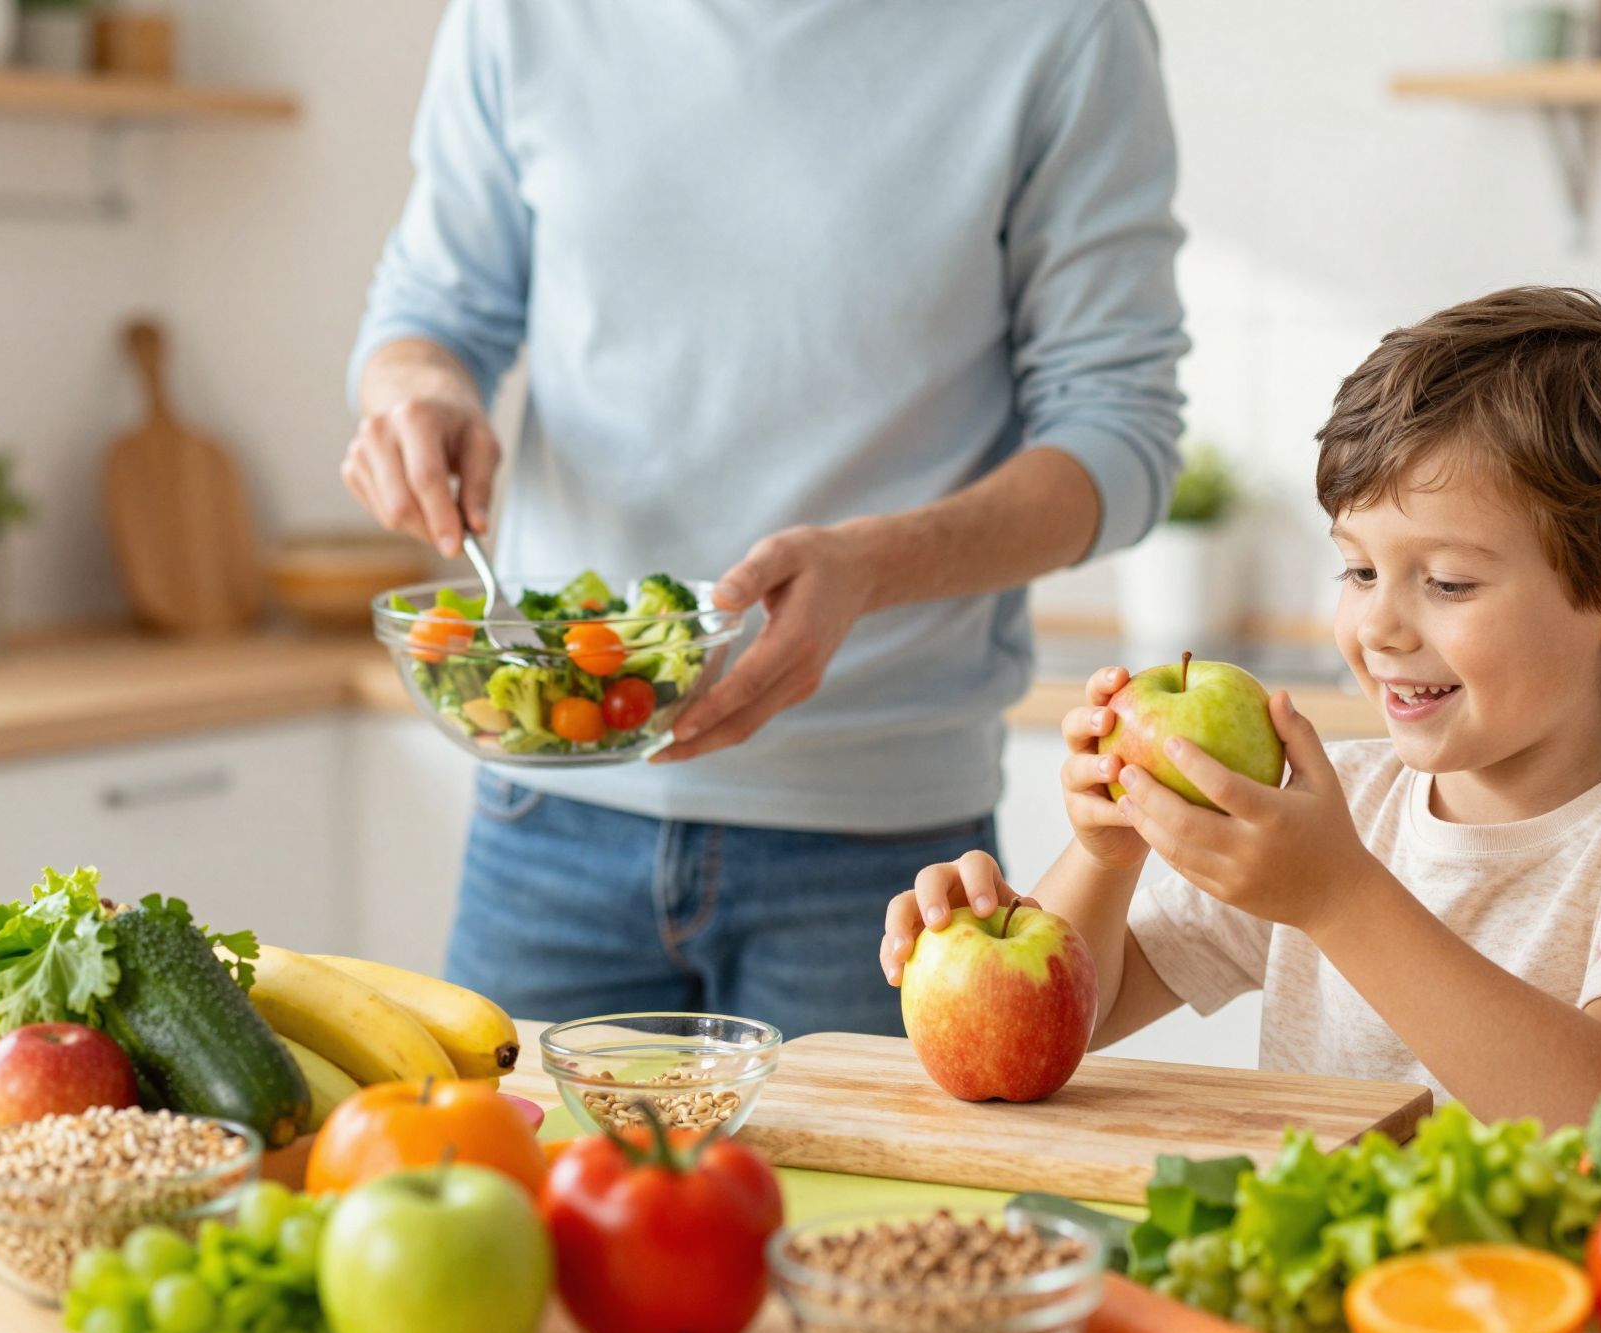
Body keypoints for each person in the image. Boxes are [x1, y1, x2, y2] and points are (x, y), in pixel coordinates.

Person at [341, 0, 1186, 1033]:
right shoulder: (522, 16)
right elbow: (429, 310)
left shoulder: (1065, 29)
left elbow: (1117, 434)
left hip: (880, 855)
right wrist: (417, 393)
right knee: (498, 1188)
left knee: (868, 1207)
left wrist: (873, 565)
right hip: (545, 814)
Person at [882, 287, 1601, 1127]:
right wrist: (1103, 855)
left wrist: (1338, 895)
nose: (1379, 626)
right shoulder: (1335, 803)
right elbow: (1082, 1018)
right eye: (1358, 570)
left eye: (1446, 581)